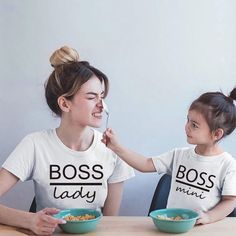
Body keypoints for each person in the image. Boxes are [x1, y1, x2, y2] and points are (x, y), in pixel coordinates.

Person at [0, 46, 134, 235]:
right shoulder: (35, 145)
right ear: (64, 103)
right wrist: (30, 220)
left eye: (102, 97)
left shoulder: (112, 149)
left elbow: (110, 223)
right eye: (91, 97)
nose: (101, 105)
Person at [103, 88, 236, 225]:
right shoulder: (178, 155)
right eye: (188, 120)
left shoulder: (228, 165)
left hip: (203, 229)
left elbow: (230, 201)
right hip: (173, 226)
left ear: (217, 134)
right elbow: (145, 164)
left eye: (194, 125)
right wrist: (116, 147)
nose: (187, 127)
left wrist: (208, 217)